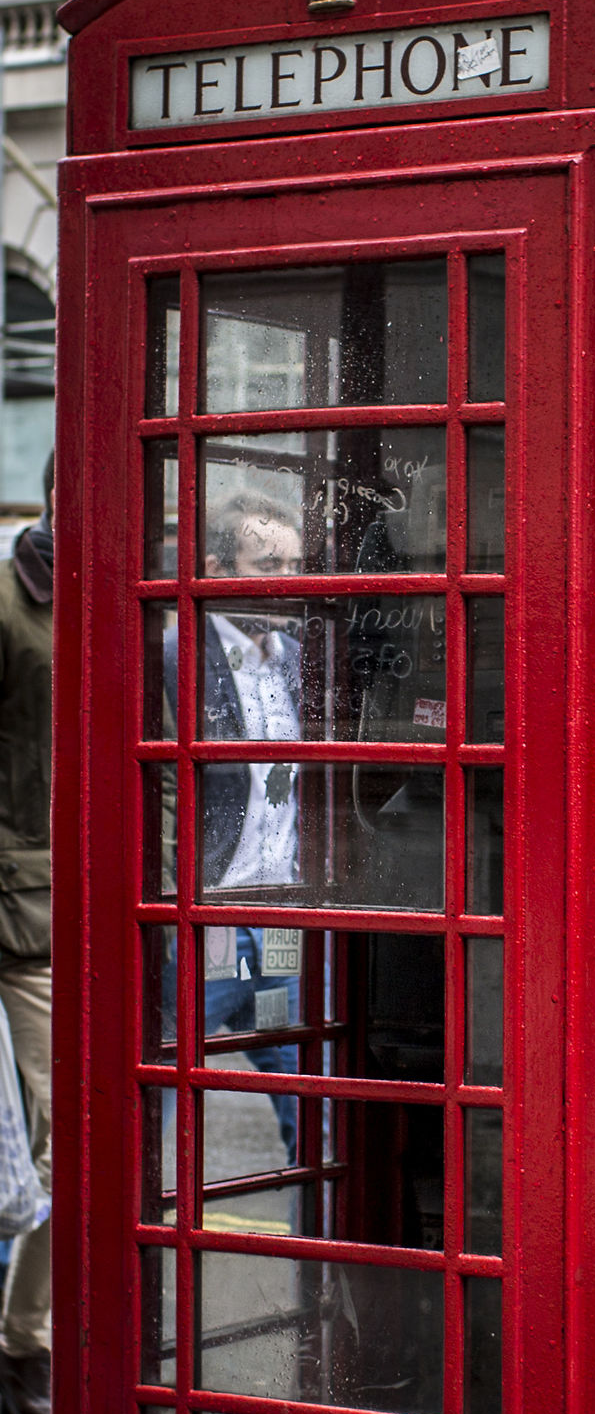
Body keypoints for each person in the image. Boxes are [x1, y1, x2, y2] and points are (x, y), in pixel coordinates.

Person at [164, 492, 304, 1156]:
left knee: (311, 1103)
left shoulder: (301, 657)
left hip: (285, 915)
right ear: (217, 569)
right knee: (159, 1077)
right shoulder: (171, 659)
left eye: (295, 565)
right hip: (207, 918)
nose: (288, 581)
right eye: (268, 563)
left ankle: (327, 1249)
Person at [0, 453, 56, 1414]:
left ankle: (28, 1338)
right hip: (22, 907)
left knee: (72, 1136)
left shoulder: (139, 594)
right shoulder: (9, 600)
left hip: (90, 904)